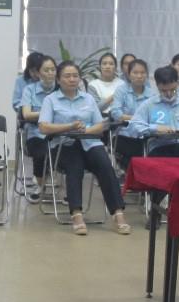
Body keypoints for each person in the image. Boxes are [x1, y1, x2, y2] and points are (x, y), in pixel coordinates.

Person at [38, 61, 130, 235]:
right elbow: (43, 127)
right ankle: (76, 214)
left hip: (89, 142)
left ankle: (118, 213)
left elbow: (100, 125)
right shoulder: (50, 100)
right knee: (75, 166)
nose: (72, 79)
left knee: (106, 166)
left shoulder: (88, 98)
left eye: (75, 76)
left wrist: (85, 131)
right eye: (67, 76)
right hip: (64, 144)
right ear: (58, 79)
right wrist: (69, 127)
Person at [126, 66, 179, 158]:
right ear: (157, 86)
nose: (169, 94)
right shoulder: (149, 104)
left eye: (173, 90)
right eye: (163, 91)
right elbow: (133, 127)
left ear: (177, 83)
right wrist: (155, 128)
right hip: (159, 147)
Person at [20, 55, 59, 199]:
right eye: (46, 70)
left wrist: (40, 113)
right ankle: (40, 187)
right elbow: (27, 114)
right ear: (38, 72)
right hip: (36, 132)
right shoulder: (29, 90)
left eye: (53, 69)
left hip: (60, 132)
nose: (50, 73)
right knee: (41, 154)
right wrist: (50, 112)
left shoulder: (61, 89)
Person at [110, 57, 154, 174]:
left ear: (147, 75)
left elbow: (153, 115)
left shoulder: (152, 94)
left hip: (145, 136)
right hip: (124, 134)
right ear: (129, 75)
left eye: (142, 73)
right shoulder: (121, 91)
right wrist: (137, 119)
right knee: (133, 157)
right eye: (135, 73)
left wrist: (134, 118)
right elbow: (116, 113)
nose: (139, 76)